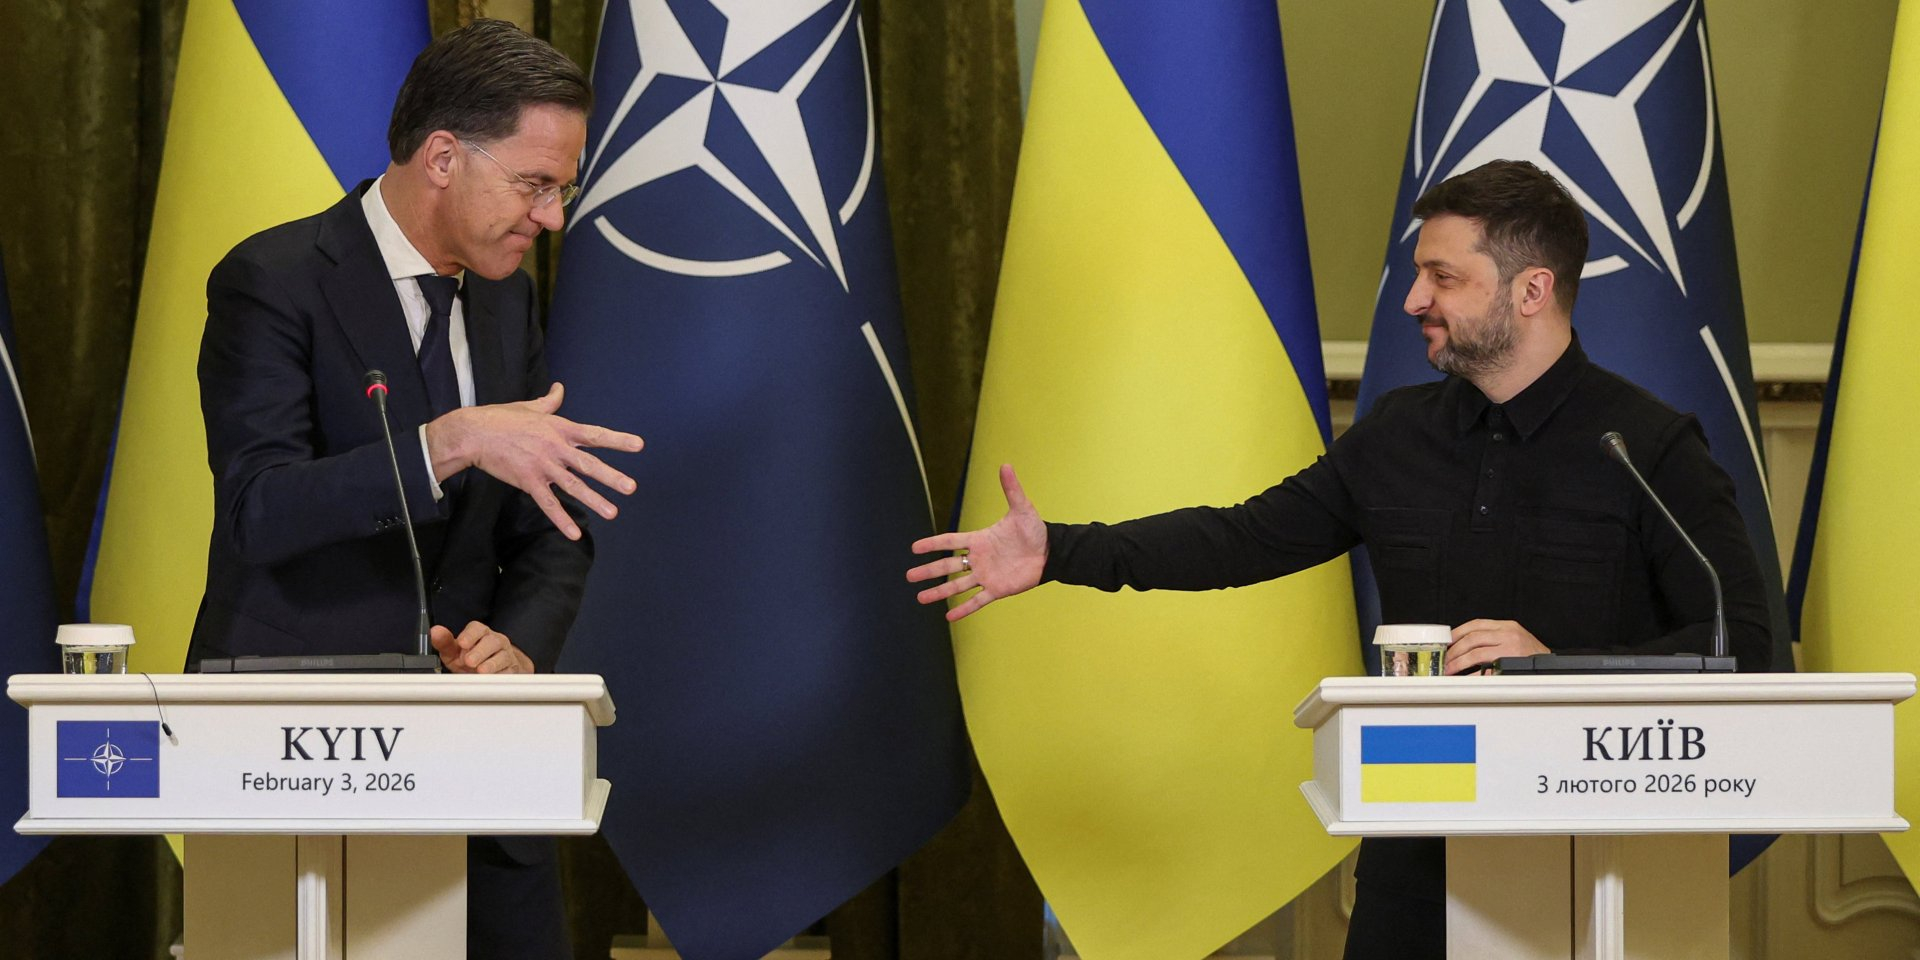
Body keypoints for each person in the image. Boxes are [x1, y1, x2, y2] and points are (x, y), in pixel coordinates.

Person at [907, 159, 1774, 960]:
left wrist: (1556, 671)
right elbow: (1240, 538)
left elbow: (1743, 645)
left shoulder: (1647, 446)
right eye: (1419, 273)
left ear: (1532, 289)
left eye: (1443, 277)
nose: (1413, 300)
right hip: (1416, 841)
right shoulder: (1398, 433)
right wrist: (1061, 549)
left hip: (1600, 852)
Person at [188, 20, 640, 960]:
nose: (553, 217)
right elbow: (259, 511)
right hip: (298, 765)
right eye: (535, 185)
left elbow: (553, 525)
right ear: (443, 157)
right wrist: (451, 441)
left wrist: (519, 645)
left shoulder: (507, 294)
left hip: (481, 765)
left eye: (563, 188)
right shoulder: (272, 282)